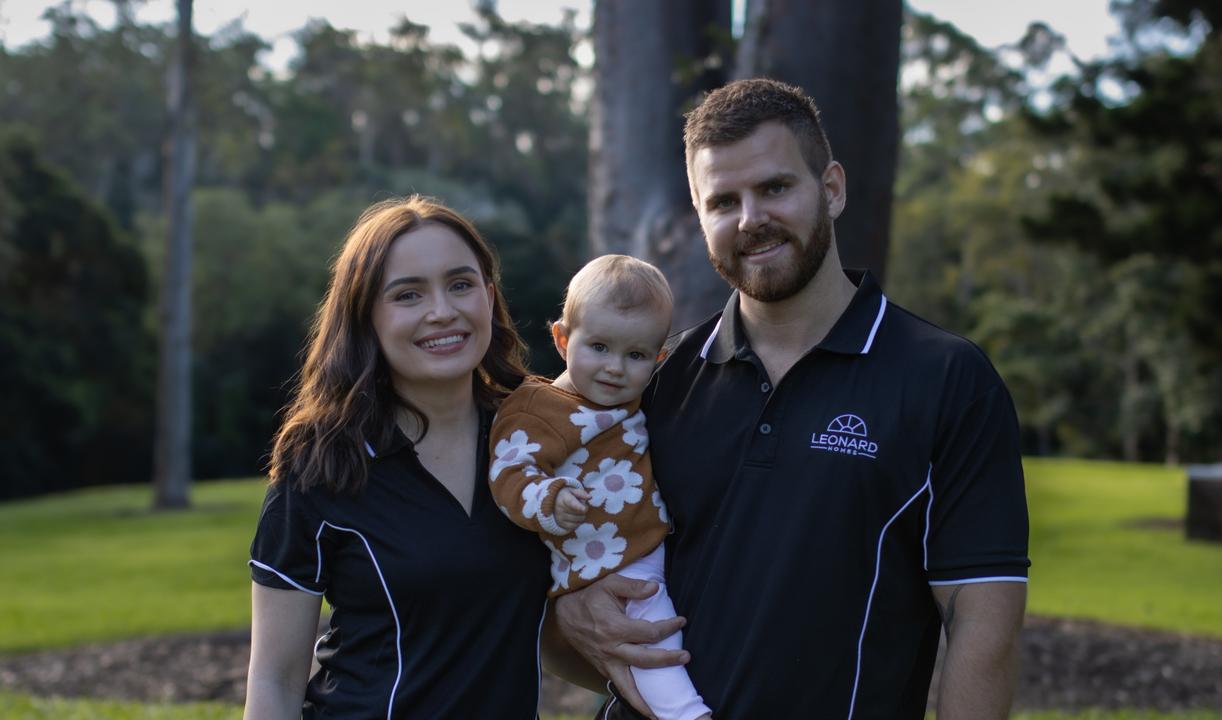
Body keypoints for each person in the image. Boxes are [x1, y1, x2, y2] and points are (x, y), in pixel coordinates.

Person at [554, 78, 1030, 719]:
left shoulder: (946, 378)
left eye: (775, 188)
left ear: (831, 189)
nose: (750, 220)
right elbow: (562, 603)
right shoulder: (657, 382)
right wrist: (565, 610)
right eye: (724, 201)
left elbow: (983, 626)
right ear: (701, 216)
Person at [242, 196, 549, 719]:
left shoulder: (541, 439)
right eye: (408, 295)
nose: (442, 311)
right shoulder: (323, 462)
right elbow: (275, 678)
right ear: (366, 318)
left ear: (489, 297)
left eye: (460, 284)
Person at [489, 254, 713, 720]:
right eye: (599, 347)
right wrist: (550, 500)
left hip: (653, 547)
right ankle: (686, 715)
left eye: (635, 356)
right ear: (562, 339)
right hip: (602, 565)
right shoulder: (538, 407)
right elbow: (509, 473)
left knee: (682, 636)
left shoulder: (642, 400)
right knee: (653, 645)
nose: (615, 368)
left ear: (659, 359)